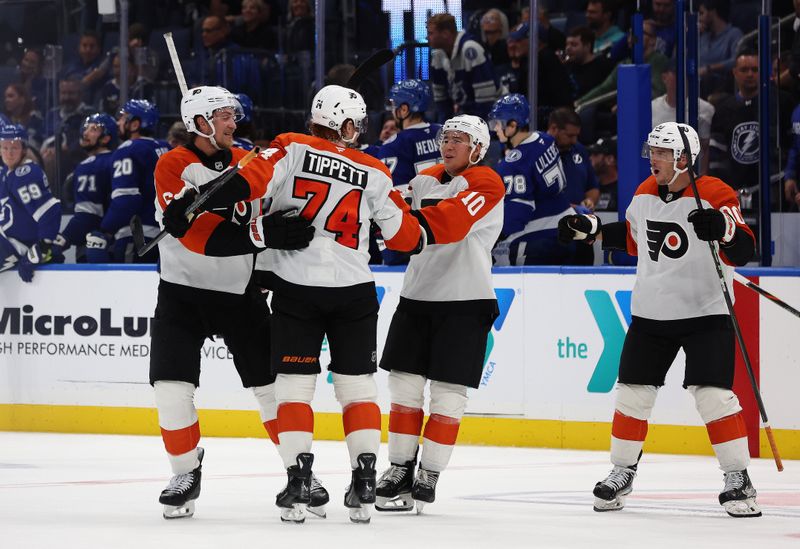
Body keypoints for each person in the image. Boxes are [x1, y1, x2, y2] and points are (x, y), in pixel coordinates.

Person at [167, 84, 426, 524]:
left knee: (292, 388)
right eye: (356, 125)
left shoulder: (290, 147)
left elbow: (246, 182)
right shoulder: (376, 170)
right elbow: (408, 239)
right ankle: (364, 481)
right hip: (354, 291)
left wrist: (194, 201)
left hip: (296, 287)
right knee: (357, 387)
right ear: (345, 125)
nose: (359, 132)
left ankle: (299, 481)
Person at [557, 122, 760, 518]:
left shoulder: (715, 193)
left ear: (683, 159)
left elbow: (744, 248)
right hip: (651, 313)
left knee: (713, 396)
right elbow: (634, 239)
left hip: (705, 312)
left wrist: (722, 228)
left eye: (662, 153)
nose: (654, 159)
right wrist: (592, 230)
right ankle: (621, 471)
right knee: (632, 393)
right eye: (652, 151)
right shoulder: (645, 193)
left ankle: (738, 477)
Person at [150, 85, 316, 520]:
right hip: (182, 294)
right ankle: (185, 471)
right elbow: (201, 238)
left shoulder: (248, 160)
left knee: (269, 388)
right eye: (224, 115)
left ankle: (299, 473)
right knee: (171, 389)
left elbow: (270, 212)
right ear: (199, 123)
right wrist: (263, 235)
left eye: (232, 114)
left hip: (240, 293)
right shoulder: (173, 165)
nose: (233, 122)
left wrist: (267, 252)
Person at [375, 114, 503, 513]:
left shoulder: (487, 182)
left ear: (477, 149)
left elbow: (450, 223)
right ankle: (399, 468)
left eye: (459, 140)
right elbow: (387, 202)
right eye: (446, 137)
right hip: (418, 296)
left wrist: (401, 223)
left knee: (448, 394)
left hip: (466, 300)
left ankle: (428, 473)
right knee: (404, 387)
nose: (448, 145)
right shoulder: (425, 178)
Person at [487, 94, 573, 266]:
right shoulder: (546, 139)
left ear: (513, 125)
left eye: (499, 123)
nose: (495, 128)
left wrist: (489, 240)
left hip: (541, 239)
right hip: (570, 229)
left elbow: (518, 213)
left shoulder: (513, 164)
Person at [90, 99, 170, 263]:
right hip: (169, 239)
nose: (118, 122)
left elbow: (126, 200)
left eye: (123, 117)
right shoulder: (168, 148)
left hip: (138, 239)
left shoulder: (128, 149)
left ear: (134, 125)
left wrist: (105, 230)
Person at [0, 124, 62, 282]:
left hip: (14, 246)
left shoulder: (25, 174)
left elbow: (50, 210)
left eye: (14, 147)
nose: (9, 153)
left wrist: (41, 247)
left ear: (24, 149)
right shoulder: (8, 174)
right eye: (4, 147)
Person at [55, 113, 117, 258]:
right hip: (119, 241)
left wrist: (63, 240)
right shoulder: (119, 159)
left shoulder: (89, 166)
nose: (85, 133)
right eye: (86, 128)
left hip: (93, 245)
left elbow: (86, 216)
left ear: (106, 138)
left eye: (94, 129)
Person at [428, 13, 499, 120]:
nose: (427, 37)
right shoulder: (437, 55)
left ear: (446, 33)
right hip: (466, 113)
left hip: (494, 113)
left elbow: (486, 101)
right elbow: (441, 100)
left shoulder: (470, 49)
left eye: (431, 33)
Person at [652, 61, 715, 175]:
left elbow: (705, 149)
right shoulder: (652, 108)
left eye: (685, 75)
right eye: (676, 74)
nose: (680, 79)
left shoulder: (705, 109)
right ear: (664, 77)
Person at [563, 26, 615, 100]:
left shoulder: (604, 66)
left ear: (587, 46)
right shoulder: (566, 66)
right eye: (567, 44)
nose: (568, 48)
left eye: (573, 45)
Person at [588, 136, 618, 212]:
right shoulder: (589, 187)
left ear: (610, 159)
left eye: (595, 154)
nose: (590, 158)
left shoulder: (623, 190)